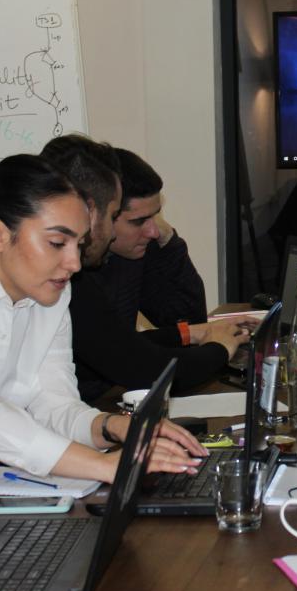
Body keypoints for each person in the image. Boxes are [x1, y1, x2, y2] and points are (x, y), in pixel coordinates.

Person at [0, 154, 206, 496]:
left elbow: (53, 403)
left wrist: (116, 427)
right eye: (56, 243)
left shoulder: (49, 292)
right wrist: (107, 466)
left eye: (78, 245)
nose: (74, 263)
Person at [40, 136, 248, 400]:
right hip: (84, 408)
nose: (152, 230)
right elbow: (135, 362)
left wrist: (190, 333)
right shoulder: (68, 275)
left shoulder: (130, 254)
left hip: (92, 407)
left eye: (156, 216)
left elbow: (122, 343)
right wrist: (218, 349)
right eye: (133, 220)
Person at [94, 147, 208, 332]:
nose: (153, 232)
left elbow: (190, 323)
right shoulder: (74, 272)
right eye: (139, 221)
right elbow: (112, 347)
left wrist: (170, 243)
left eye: (155, 216)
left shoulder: (137, 249)